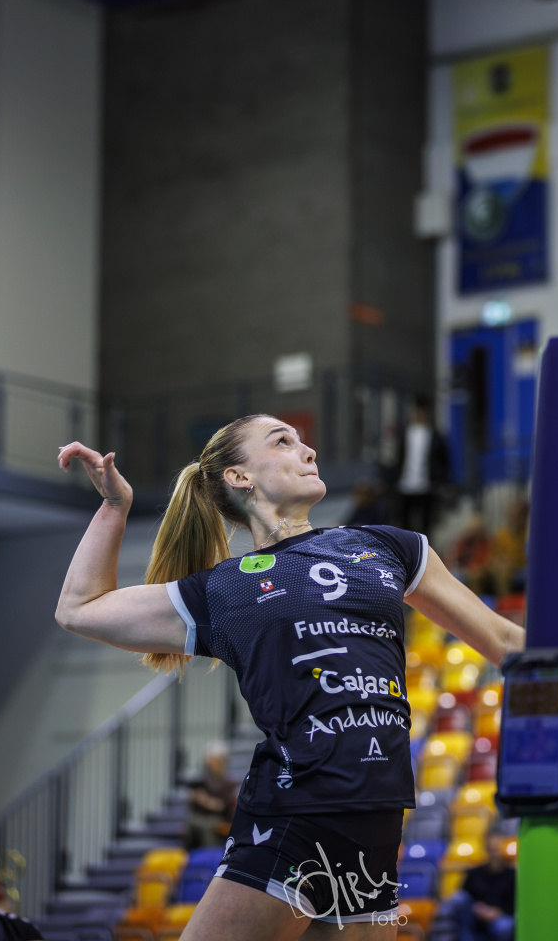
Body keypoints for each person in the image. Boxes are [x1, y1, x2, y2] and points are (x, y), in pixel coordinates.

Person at [55, 417, 524, 940]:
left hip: (378, 822)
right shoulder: (224, 589)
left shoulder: (392, 547)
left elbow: (505, 641)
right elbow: (79, 609)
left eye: (302, 441)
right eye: (283, 441)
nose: (308, 450)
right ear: (239, 477)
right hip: (292, 814)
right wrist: (114, 506)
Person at [394, 396, 450, 536]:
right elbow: (398, 458)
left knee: (426, 524)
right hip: (406, 485)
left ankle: (424, 548)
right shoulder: (405, 432)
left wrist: (444, 482)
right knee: (404, 524)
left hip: (427, 485)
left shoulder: (434, 434)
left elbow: (443, 460)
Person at [454, 829, 515, 941]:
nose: (494, 854)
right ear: (486, 850)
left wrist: (496, 912)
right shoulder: (474, 873)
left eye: (497, 850)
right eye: (491, 849)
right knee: (458, 899)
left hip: (500, 917)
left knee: (505, 925)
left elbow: (515, 904)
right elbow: (464, 897)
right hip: (475, 917)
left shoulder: (513, 875)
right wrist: (477, 908)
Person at [186, 742, 237, 850]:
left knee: (205, 826)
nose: (210, 764)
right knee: (193, 823)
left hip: (222, 819)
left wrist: (204, 800)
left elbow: (222, 806)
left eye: (213, 761)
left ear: (221, 762)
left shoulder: (229, 783)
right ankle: (188, 856)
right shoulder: (203, 782)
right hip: (203, 818)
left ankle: (210, 854)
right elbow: (193, 806)